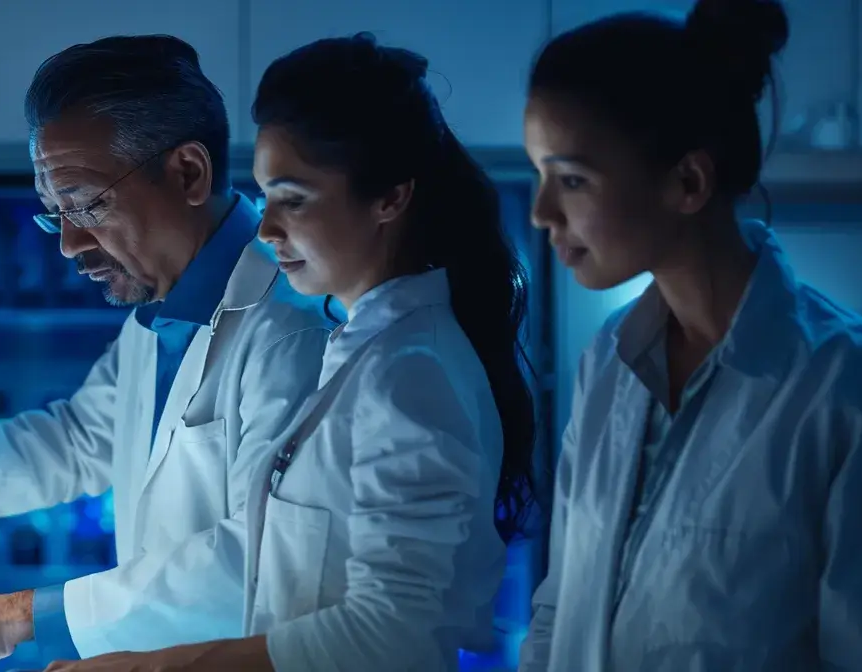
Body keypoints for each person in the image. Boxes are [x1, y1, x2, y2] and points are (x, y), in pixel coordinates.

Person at [0, 34, 336, 671]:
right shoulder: (159, 314)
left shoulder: (293, 330)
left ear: (188, 173)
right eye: (54, 214)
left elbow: (261, 568)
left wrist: (17, 614)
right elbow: (80, 437)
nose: (69, 244)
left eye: (87, 205)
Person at [39, 33, 538, 672]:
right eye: (267, 197)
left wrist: (147, 667)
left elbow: (393, 635)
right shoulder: (364, 354)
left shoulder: (413, 371)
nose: (268, 228)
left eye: (293, 200)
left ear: (390, 197)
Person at [518, 1, 862, 669]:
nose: (541, 212)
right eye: (539, 175)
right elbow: (558, 613)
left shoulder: (856, 388)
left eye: (572, 180)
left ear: (688, 181)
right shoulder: (607, 362)